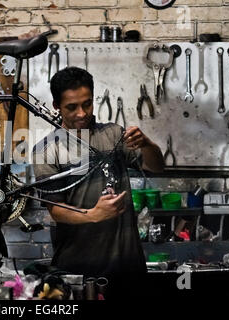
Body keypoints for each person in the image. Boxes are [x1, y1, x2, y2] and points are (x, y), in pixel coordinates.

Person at [32, 67, 165, 288]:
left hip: (128, 264)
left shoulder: (113, 134)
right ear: (56, 106)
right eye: (72, 107)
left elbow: (157, 167)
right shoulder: (45, 150)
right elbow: (55, 210)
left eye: (87, 104)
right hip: (79, 268)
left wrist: (147, 144)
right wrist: (94, 215)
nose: (82, 113)